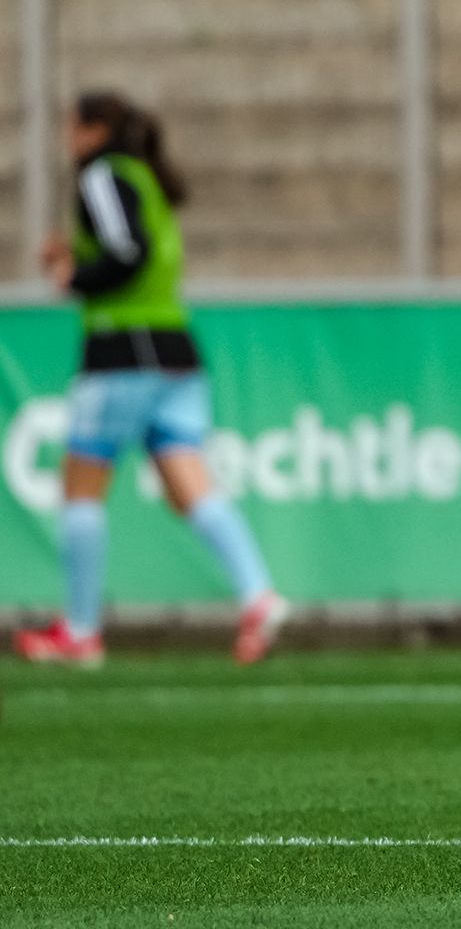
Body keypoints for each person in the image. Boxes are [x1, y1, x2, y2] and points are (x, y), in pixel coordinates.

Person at [15, 92, 289, 668]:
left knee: (81, 488)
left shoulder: (101, 176)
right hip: (177, 351)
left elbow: (126, 252)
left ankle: (82, 630)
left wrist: (73, 277)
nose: (67, 138)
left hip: (122, 353)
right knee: (189, 484)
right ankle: (258, 594)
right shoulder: (146, 177)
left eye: (73, 126)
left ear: (95, 130)